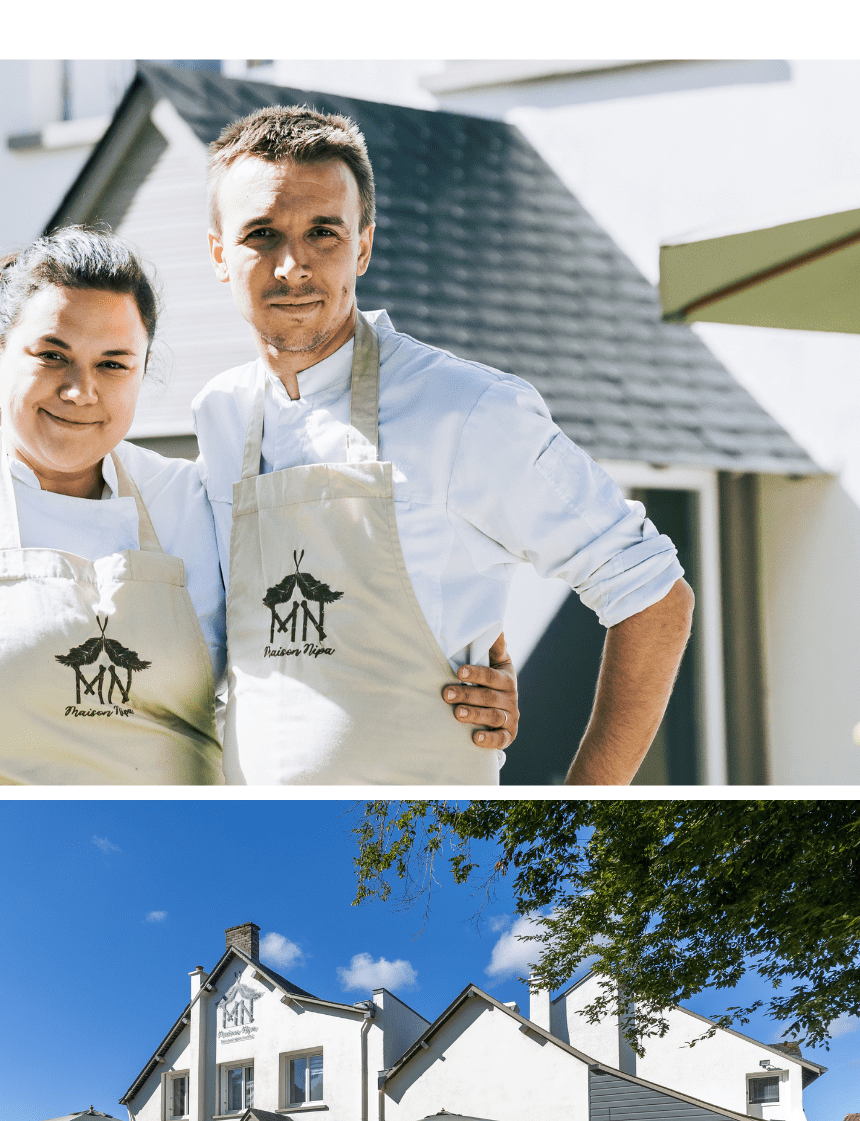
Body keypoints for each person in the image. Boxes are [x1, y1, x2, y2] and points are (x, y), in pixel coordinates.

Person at [0, 227, 515, 784]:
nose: (82, 391)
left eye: (115, 363)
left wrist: (457, 680)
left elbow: (317, 639)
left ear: (144, 369)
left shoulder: (193, 501)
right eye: (54, 356)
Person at [193, 106, 695, 786]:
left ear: (363, 246)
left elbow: (654, 596)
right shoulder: (220, 416)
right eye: (262, 235)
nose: (293, 266)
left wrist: (580, 819)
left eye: (323, 233)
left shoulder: (468, 408)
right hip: (260, 855)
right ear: (221, 254)